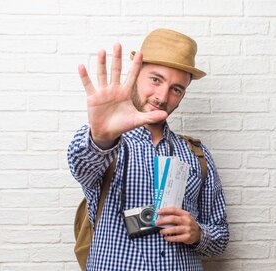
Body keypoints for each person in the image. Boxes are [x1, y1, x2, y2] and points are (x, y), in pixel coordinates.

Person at [67, 28, 228, 270]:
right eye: (155, 79)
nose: (162, 97)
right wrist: (100, 136)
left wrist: (198, 234)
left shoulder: (196, 155)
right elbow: (81, 163)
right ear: (135, 74)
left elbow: (221, 237)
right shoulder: (108, 143)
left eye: (176, 89)